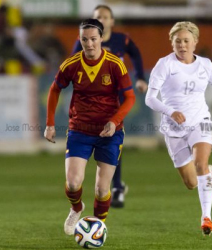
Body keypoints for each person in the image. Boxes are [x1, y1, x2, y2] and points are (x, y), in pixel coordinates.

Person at [145, 21, 212, 236]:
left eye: (186, 41)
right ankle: (209, 175)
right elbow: (150, 98)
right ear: (172, 43)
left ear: (195, 42)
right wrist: (170, 112)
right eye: (177, 41)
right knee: (190, 182)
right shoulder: (164, 64)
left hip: (200, 121)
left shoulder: (205, 64)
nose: (182, 45)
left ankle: (206, 217)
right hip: (173, 127)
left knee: (200, 163)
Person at [44, 19, 135, 235]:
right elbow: (54, 90)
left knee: (102, 189)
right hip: (80, 130)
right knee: (73, 183)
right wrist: (49, 124)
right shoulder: (71, 64)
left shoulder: (115, 64)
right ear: (80, 40)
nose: (89, 44)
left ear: (101, 38)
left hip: (109, 133)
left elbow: (130, 97)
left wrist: (114, 121)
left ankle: (96, 227)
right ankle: (77, 208)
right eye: (85, 40)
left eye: (93, 39)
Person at [72, 5, 147, 208]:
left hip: (117, 98)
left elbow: (137, 53)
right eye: (98, 17)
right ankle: (113, 186)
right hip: (92, 103)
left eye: (105, 17)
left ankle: (115, 186)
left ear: (112, 21)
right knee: (100, 140)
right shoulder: (85, 40)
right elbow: (71, 65)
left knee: (112, 138)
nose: (102, 20)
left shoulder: (121, 39)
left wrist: (140, 78)